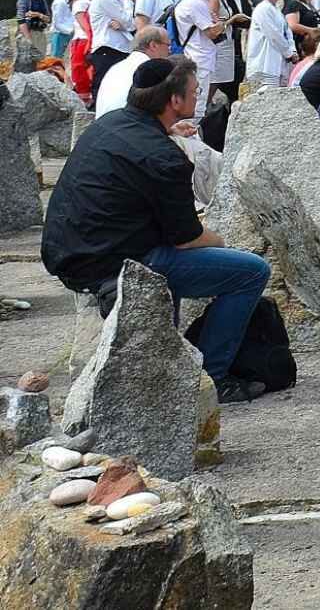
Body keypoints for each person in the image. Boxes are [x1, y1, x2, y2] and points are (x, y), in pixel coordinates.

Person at [41, 56, 272, 402]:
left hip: (68, 252)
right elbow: (187, 239)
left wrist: (167, 132)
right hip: (117, 262)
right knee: (252, 271)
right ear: (174, 101)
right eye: (194, 92)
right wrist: (225, 241)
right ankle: (207, 379)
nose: (199, 97)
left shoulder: (110, 124)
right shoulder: (164, 157)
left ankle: (175, 368)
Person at [244, 0, 295, 92]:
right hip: (265, 64)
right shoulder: (263, 9)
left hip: (277, 62)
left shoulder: (276, 9)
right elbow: (274, 35)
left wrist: (292, 50)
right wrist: (289, 53)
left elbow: (287, 32)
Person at [13, 0, 46, 72]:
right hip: (26, 35)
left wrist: (38, 15)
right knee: (25, 64)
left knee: (40, 64)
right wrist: (28, 39)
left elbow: (48, 18)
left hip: (40, 34)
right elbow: (21, 20)